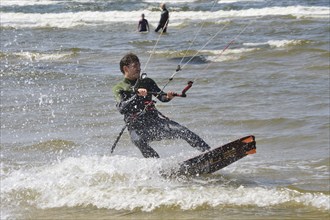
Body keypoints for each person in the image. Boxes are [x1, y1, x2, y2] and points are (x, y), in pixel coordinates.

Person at [112, 53, 210, 158]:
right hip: (137, 128)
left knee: (182, 131)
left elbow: (161, 97)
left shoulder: (147, 82)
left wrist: (168, 97)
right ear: (126, 68)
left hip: (155, 123)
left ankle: (209, 152)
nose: (139, 69)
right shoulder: (120, 87)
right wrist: (136, 94)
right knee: (139, 141)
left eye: (139, 65)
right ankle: (157, 167)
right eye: (135, 66)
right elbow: (122, 108)